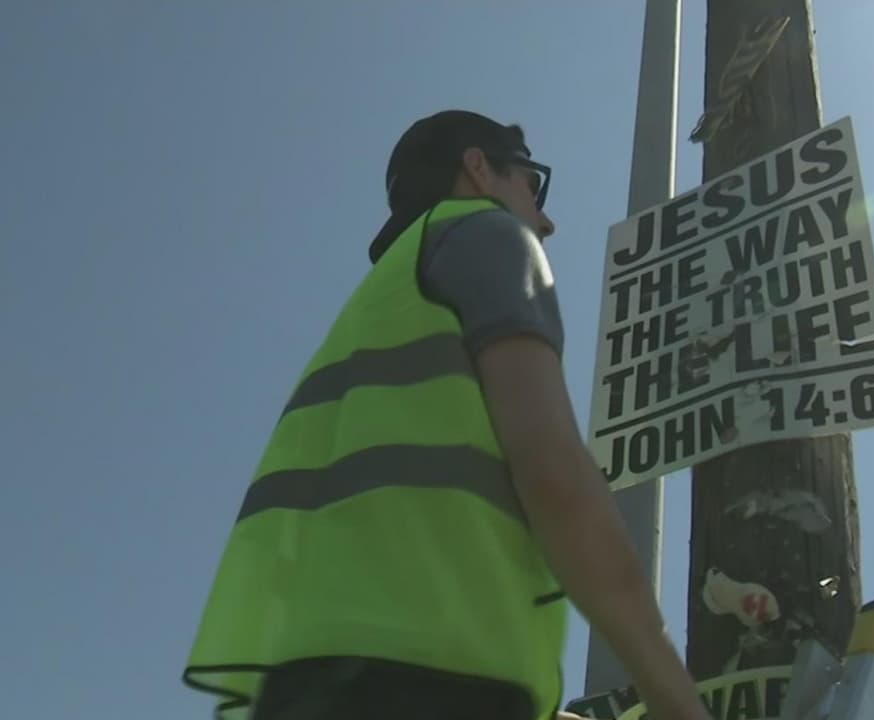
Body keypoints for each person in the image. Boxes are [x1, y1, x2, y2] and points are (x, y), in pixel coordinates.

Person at [183, 110, 713, 720]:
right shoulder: (487, 235)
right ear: (479, 168)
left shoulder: (381, 301)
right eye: (532, 185)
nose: (546, 220)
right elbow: (555, 475)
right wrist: (677, 700)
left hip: (307, 684)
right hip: (436, 681)